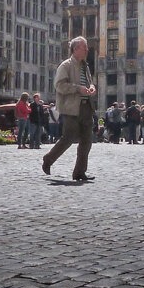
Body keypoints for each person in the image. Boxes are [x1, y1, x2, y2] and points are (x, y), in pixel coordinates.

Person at [42, 36, 97, 182]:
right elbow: (59, 85)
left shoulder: (85, 66)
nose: (86, 50)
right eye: (84, 47)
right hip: (71, 108)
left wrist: (92, 88)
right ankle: (48, 159)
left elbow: (90, 83)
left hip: (86, 108)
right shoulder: (65, 65)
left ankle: (79, 172)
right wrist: (78, 89)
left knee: (87, 140)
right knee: (68, 138)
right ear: (75, 49)